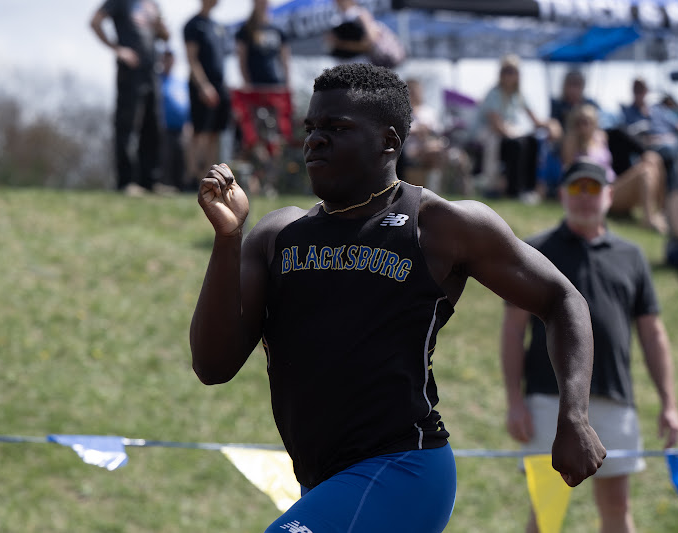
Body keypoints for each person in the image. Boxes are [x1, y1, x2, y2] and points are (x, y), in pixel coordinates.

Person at [190, 63, 605, 532]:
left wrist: (574, 415)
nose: (314, 140)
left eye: (336, 128)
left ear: (388, 141)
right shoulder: (276, 234)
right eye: (311, 128)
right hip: (324, 483)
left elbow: (562, 299)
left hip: (405, 468)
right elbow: (212, 366)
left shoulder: (440, 225)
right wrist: (228, 239)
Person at [501, 159, 678, 533]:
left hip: (615, 398)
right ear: (563, 194)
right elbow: (513, 330)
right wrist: (514, 401)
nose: (585, 198)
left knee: (617, 507)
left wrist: (670, 404)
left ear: (610, 196)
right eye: (577, 188)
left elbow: (653, 334)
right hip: (549, 399)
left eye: (594, 189)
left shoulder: (631, 256)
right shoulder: (534, 251)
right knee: (546, 510)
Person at [90, 0, 170, 196]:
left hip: (152, 70)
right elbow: (95, 22)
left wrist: (160, 26)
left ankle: (150, 182)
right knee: (127, 124)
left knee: (152, 125)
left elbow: (166, 36)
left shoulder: (153, 4)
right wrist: (118, 49)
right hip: (130, 71)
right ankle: (126, 182)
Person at [562, 104, 667, 232]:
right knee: (645, 172)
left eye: (587, 122)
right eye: (579, 122)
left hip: (613, 186)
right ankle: (648, 219)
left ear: (594, 123)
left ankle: (661, 213)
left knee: (654, 159)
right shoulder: (572, 140)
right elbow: (568, 171)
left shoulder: (601, 137)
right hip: (596, 190)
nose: (583, 126)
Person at [474, 54, 560, 203]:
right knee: (517, 143)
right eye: (506, 71)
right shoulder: (493, 93)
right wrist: (514, 134)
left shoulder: (519, 95)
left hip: (509, 133)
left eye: (513, 71)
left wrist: (552, 125)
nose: (509, 75)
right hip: (492, 134)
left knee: (532, 141)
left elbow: (536, 121)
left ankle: (528, 188)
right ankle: (507, 189)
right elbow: (496, 124)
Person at [234, 0, 292, 195]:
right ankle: (256, 179)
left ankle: (271, 183)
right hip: (255, 91)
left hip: (276, 89)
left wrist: (287, 83)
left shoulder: (278, 29)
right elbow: (241, 59)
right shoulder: (246, 29)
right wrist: (247, 82)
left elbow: (285, 59)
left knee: (276, 138)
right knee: (254, 136)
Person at [622, 77, 678, 189]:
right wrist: (657, 140)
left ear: (647, 90)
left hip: (673, 146)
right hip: (648, 149)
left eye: (641, 88)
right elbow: (629, 138)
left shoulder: (658, 109)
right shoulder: (628, 113)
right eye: (636, 88)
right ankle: (674, 193)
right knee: (670, 153)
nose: (639, 91)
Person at [184, 0, 230, 190]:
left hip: (220, 85)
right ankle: (192, 178)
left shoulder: (218, 27)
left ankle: (209, 179)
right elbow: (191, 58)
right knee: (199, 132)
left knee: (214, 133)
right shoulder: (193, 24)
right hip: (201, 85)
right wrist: (203, 85)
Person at [400, 78, 472, 196]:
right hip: (411, 151)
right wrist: (417, 131)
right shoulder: (402, 113)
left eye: (417, 91)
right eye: (411, 92)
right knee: (436, 153)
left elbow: (439, 133)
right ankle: (434, 193)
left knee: (460, 157)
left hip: (433, 148)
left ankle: (462, 192)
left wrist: (429, 133)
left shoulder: (429, 112)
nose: (415, 95)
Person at [159, 48, 192, 191]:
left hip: (181, 129)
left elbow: (187, 104)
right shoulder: (157, 79)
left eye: (171, 58)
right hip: (163, 128)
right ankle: (165, 185)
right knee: (165, 158)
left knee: (180, 159)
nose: (168, 61)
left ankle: (180, 187)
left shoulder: (180, 82)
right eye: (166, 58)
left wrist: (189, 123)